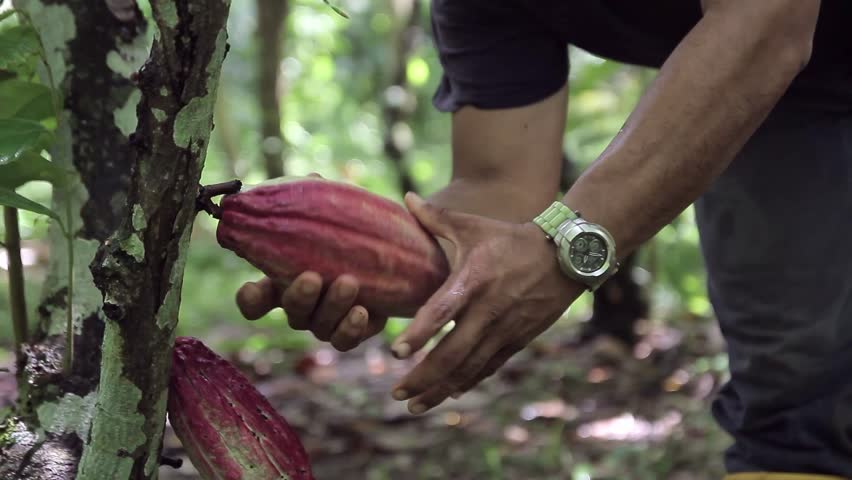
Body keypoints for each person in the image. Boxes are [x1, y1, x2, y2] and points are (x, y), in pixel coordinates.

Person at [235, 1, 852, 478]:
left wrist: (568, 249)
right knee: (794, 400)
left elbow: (768, 20)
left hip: (775, 52)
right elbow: (499, 192)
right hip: (793, 98)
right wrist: (362, 252)